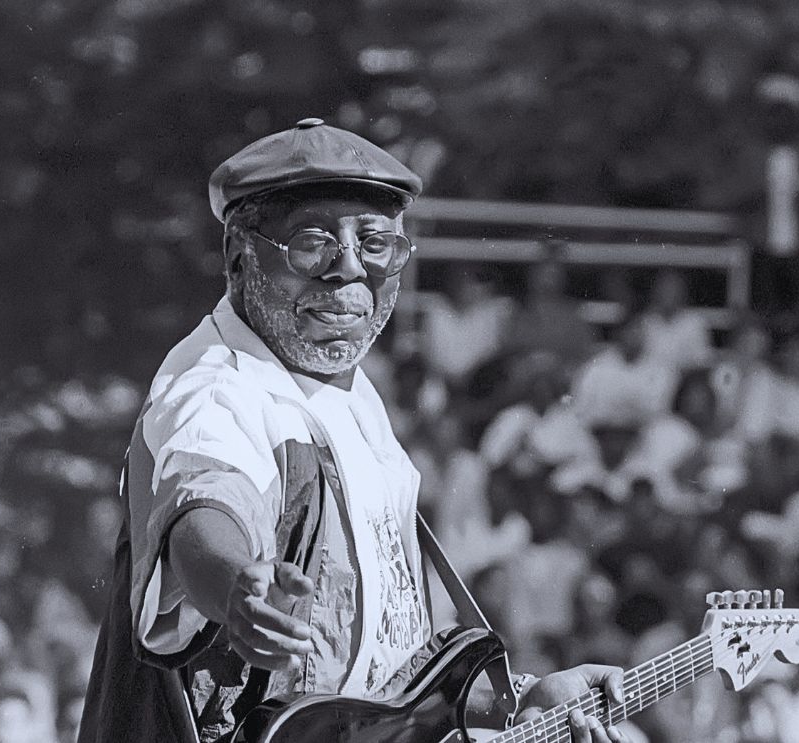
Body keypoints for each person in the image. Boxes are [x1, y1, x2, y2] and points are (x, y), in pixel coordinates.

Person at [79, 118, 630, 742]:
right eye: (313, 243)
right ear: (238, 258)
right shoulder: (216, 388)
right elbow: (203, 504)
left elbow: (383, 680)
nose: (348, 271)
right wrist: (238, 595)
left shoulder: (352, 394)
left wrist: (519, 699)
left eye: (375, 244)